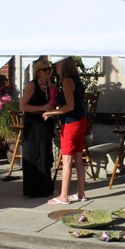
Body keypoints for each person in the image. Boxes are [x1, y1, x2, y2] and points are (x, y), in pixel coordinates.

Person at [42, 57, 86, 204]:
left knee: (67, 160)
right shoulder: (77, 80)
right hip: (81, 121)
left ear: (64, 66)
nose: (56, 68)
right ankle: (81, 193)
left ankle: (64, 196)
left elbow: (69, 106)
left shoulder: (67, 81)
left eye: (58, 65)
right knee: (79, 159)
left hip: (71, 123)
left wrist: (52, 112)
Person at [19, 59, 55, 197]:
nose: (48, 72)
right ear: (38, 72)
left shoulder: (49, 87)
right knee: (33, 157)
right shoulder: (32, 86)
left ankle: (45, 188)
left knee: (45, 157)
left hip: (45, 125)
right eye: (45, 69)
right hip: (33, 126)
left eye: (49, 69)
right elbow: (22, 106)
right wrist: (41, 108)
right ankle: (32, 190)